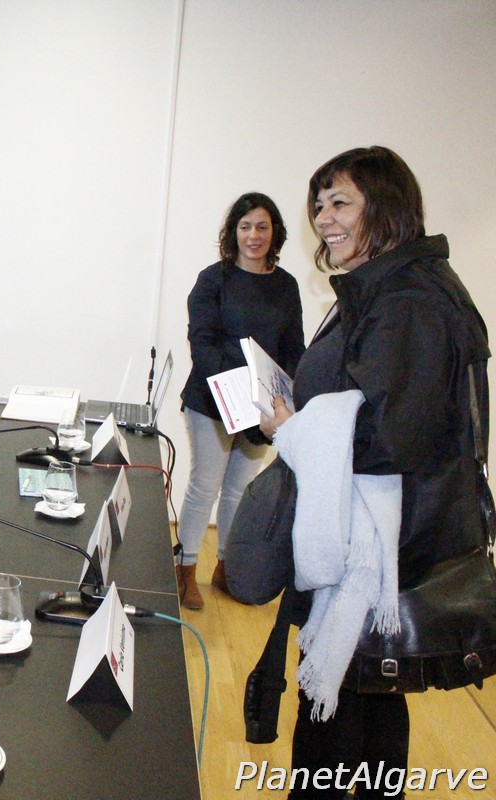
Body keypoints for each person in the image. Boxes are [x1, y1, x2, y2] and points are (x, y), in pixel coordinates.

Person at [260, 147, 489, 798]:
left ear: (385, 208)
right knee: (371, 710)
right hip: (374, 541)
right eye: (319, 205)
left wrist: (293, 430)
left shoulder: (409, 299)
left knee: (339, 728)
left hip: (379, 554)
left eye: (340, 203)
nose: (323, 219)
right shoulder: (388, 285)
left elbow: (388, 437)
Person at [174, 192, 305, 610]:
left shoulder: (286, 286)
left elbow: (294, 348)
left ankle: (225, 568)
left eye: (262, 227)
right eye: (245, 226)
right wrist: (235, 395)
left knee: (238, 491)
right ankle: (185, 570)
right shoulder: (213, 279)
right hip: (212, 402)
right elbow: (203, 344)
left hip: (263, 410)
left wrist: (283, 401)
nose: (253, 235)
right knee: (205, 486)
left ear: (274, 233)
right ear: (233, 232)